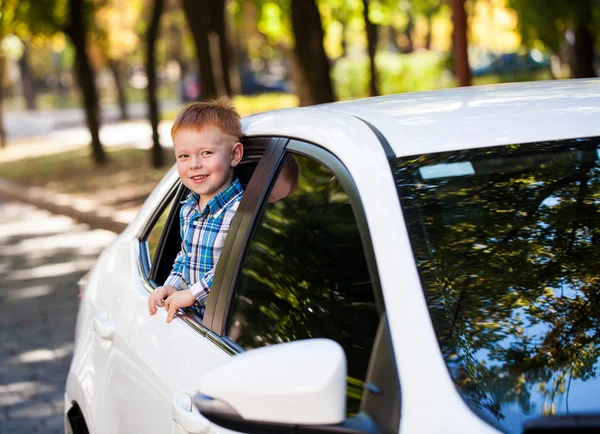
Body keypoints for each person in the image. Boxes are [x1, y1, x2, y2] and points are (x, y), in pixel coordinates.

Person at [148, 97, 244, 323]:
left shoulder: (240, 211)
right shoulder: (188, 209)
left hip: (228, 325)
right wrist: (170, 285)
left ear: (234, 155)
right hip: (197, 322)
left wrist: (193, 294)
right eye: (184, 156)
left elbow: (232, 268)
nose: (194, 164)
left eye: (206, 153)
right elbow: (186, 257)